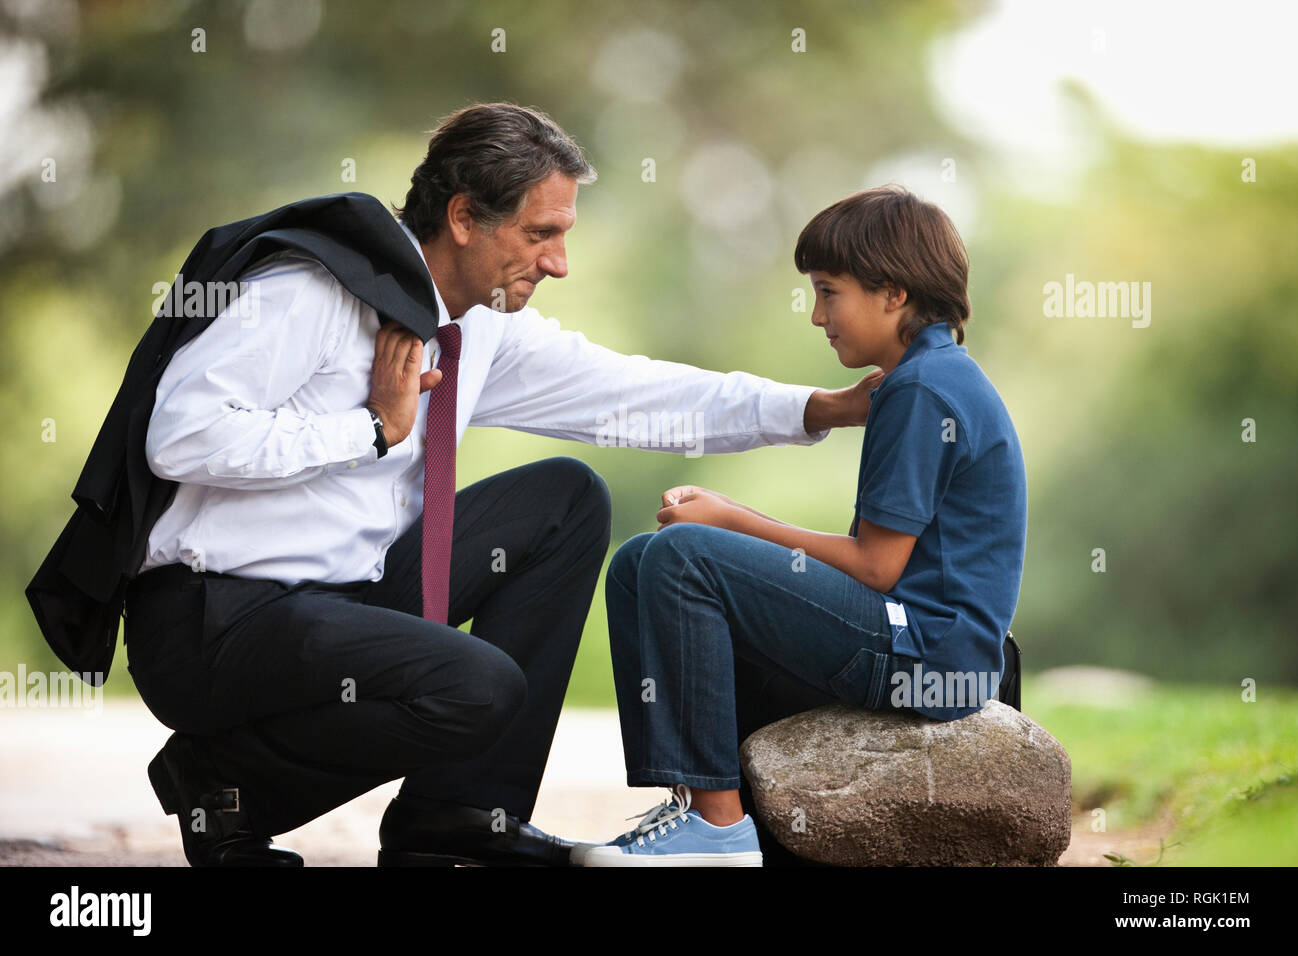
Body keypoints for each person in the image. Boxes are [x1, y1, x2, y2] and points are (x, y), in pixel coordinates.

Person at [116, 103, 881, 867]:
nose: (558, 262)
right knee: (478, 686)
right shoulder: (310, 293)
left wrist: (823, 407)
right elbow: (179, 435)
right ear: (462, 218)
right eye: (541, 234)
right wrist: (372, 429)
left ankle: (457, 819)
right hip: (211, 617)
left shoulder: (477, 328)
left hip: (337, 601)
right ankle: (223, 792)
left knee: (567, 501)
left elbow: (638, 395)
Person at [578, 185, 1028, 866]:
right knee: (640, 562)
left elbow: (878, 568)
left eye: (828, 292)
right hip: (906, 638)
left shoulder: (923, 389)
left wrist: (733, 518)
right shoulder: (915, 379)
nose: (817, 315)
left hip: (933, 658)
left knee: (685, 554)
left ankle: (720, 833)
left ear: (893, 292)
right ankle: (691, 812)